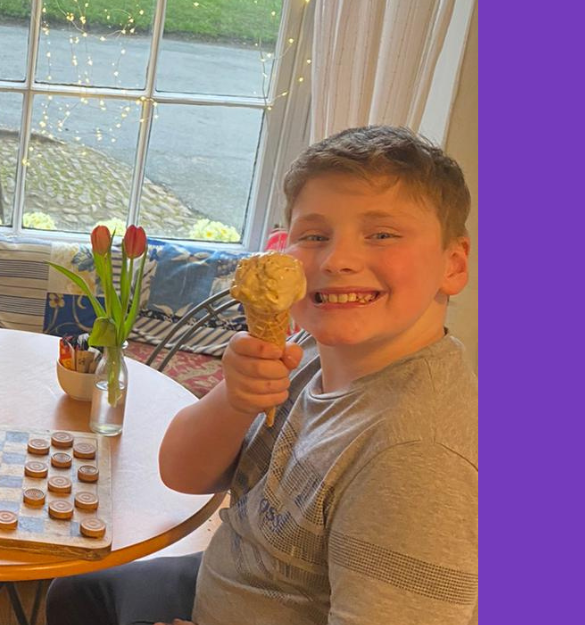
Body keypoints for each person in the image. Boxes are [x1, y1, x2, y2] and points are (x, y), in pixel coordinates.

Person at [45, 125, 478, 625]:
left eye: (382, 234)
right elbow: (182, 473)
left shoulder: (416, 458)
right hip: (239, 577)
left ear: (453, 264)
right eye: (314, 236)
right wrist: (234, 397)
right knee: (78, 593)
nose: (338, 260)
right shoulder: (310, 348)